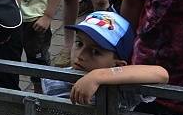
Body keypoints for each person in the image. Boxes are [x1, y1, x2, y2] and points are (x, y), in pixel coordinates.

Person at [41, 12, 169, 107]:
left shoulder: (124, 89)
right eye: (79, 43)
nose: (81, 55)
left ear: (118, 64)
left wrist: (98, 76)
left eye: (95, 52)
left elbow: (161, 74)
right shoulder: (53, 81)